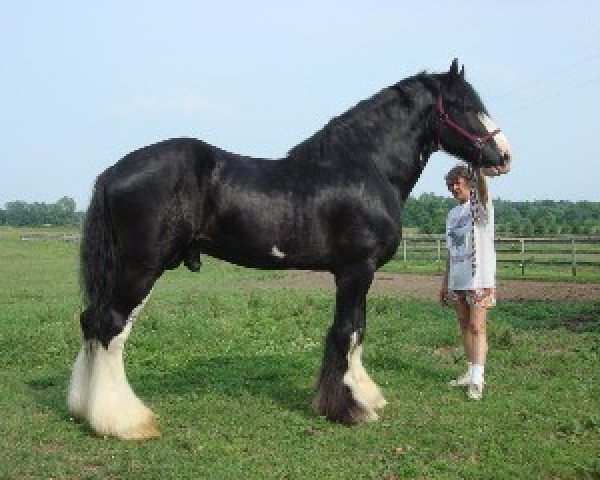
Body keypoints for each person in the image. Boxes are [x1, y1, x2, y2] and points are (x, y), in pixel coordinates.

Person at [440, 164, 505, 400]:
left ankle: (478, 379)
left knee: (477, 327)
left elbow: (483, 189)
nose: (454, 188)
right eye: (450, 185)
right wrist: (445, 283)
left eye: (458, 183)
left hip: (479, 278)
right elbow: (449, 251)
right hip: (458, 279)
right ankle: (469, 371)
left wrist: (476, 165)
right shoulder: (452, 215)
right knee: (464, 326)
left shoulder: (481, 207)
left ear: (469, 183)